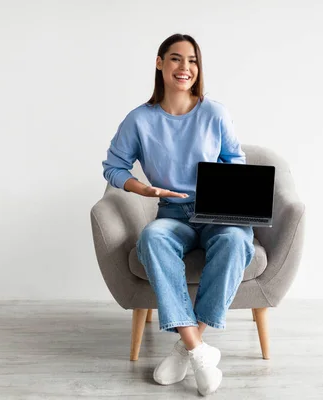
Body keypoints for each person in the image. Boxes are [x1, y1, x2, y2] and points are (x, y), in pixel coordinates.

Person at [102, 33, 255, 396]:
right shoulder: (139, 119)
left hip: (219, 213)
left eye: (192, 61)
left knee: (234, 240)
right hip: (172, 213)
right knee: (152, 238)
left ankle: (188, 346)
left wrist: (229, 194)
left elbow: (236, 163)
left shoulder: (214, 112)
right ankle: (200, 353)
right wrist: (145, 189)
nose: (184, 68)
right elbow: (114, 167)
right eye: (175, 59)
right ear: (159, 63)